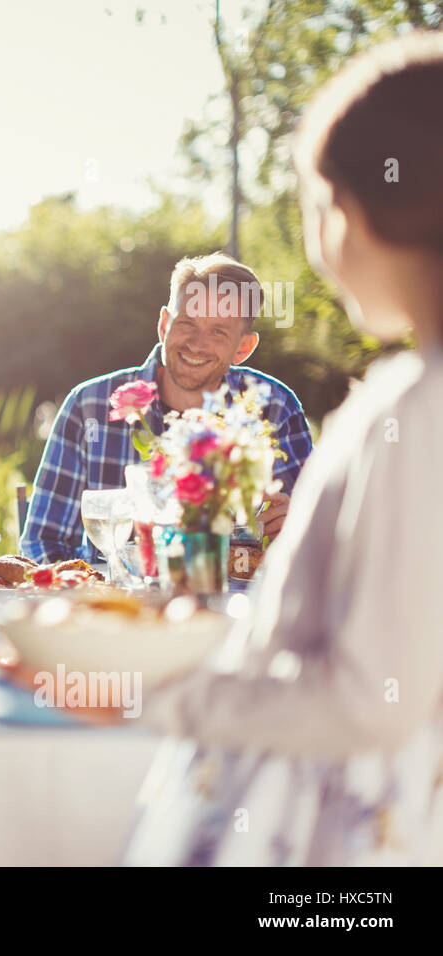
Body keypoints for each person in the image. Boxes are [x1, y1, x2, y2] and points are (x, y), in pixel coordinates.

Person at [121, 32, 443, 865]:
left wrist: (167, 693)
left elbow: (372, 698)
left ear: (347, 213)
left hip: (347, 839)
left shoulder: (415, 411)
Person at [22, 253, 314, 564]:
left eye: (218, 331)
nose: (196, 344)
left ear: (243, 347)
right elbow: (43, 543)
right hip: (115, 607)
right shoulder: (89, 406)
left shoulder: (274, 407)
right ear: (164, 325)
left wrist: (300, 528)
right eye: (186, 323)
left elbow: (320, 545)